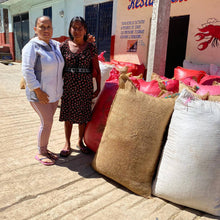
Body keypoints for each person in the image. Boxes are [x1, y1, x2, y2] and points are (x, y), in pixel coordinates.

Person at [22, 16, 65, 165]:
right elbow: (27, 71)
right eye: (42, 27)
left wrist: (87, 40)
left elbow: (71, 45)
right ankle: (41, 152)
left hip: (54, 94)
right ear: (35, 29)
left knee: (48, 122)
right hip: (39, 95)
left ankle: (45, 149)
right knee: (46, 122)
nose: (46, 30)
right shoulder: (31, 47)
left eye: (49, 27)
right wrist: (38, 91)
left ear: (52, 29)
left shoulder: (55, 45)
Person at [59, 16, 101, 156]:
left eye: (80, 28)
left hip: (85, 87)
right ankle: (67, 143)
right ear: (70, 29)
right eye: (74, 28)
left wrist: (98, 87)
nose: (76, 31)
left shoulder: (91, 47)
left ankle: (80, 141)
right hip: (69, 87)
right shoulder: (64, 46)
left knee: (83, 117)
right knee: (68, 117)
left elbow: (97, 68)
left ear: (85, 30)